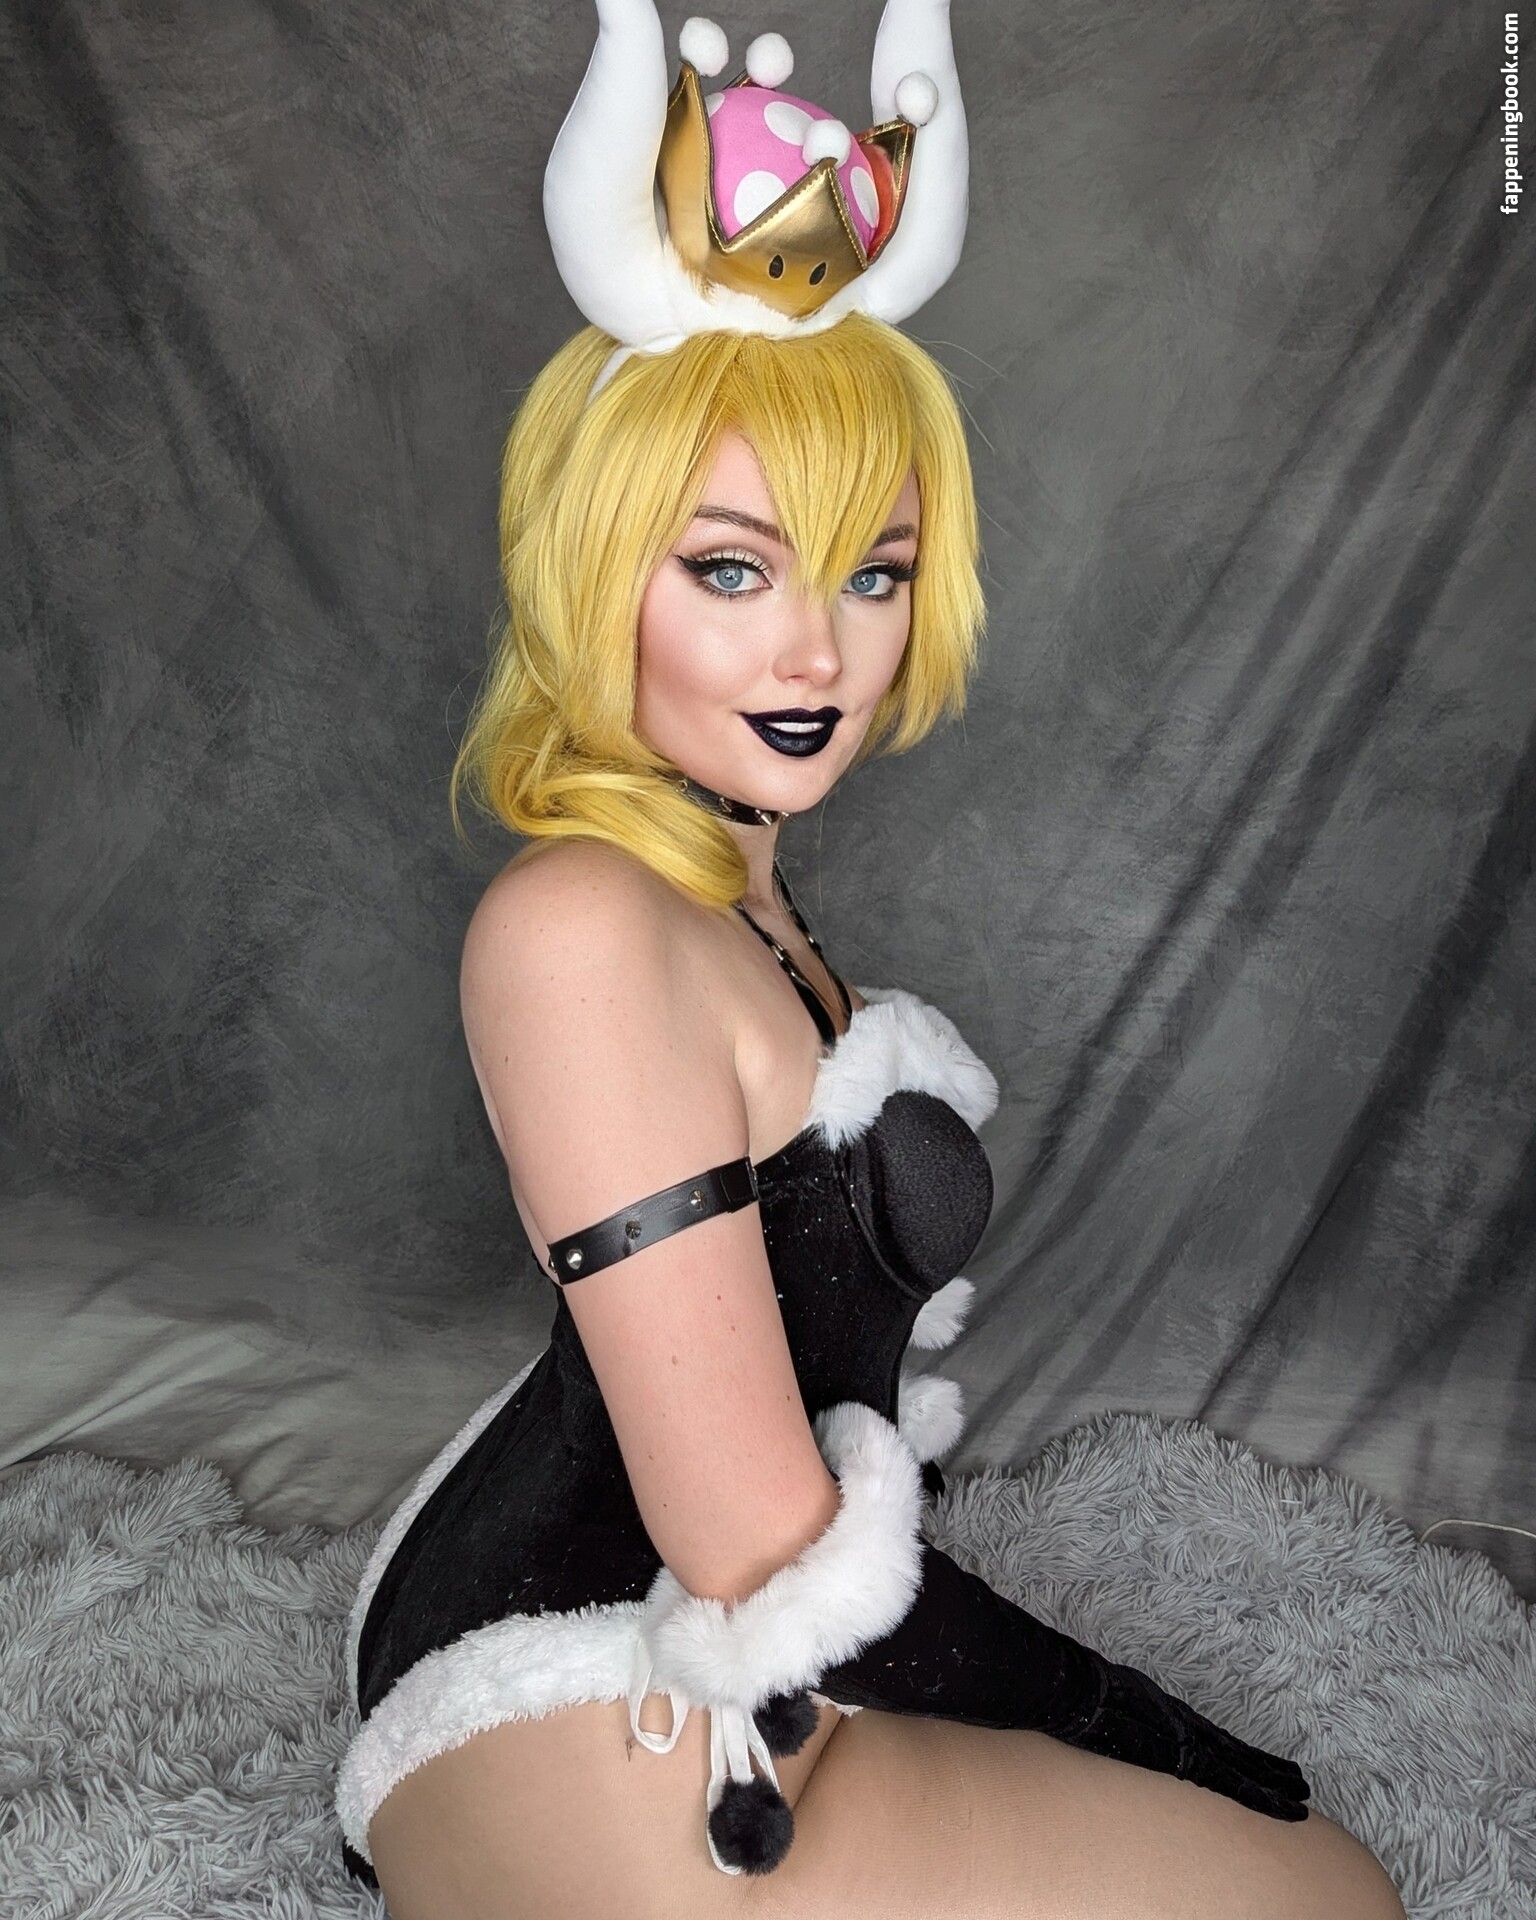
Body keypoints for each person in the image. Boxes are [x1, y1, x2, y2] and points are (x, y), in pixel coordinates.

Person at [335, 4, 1407, 1913]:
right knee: (1322, 1896)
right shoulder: (579, 926)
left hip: (742, 1647)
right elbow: (756, 1544)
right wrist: (1124, 1715)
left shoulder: (736, 892)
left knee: (1321, 1887)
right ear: (597, 571)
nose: (818, 651)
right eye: (730, 568)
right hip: (569, 1686)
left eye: (874, 572)